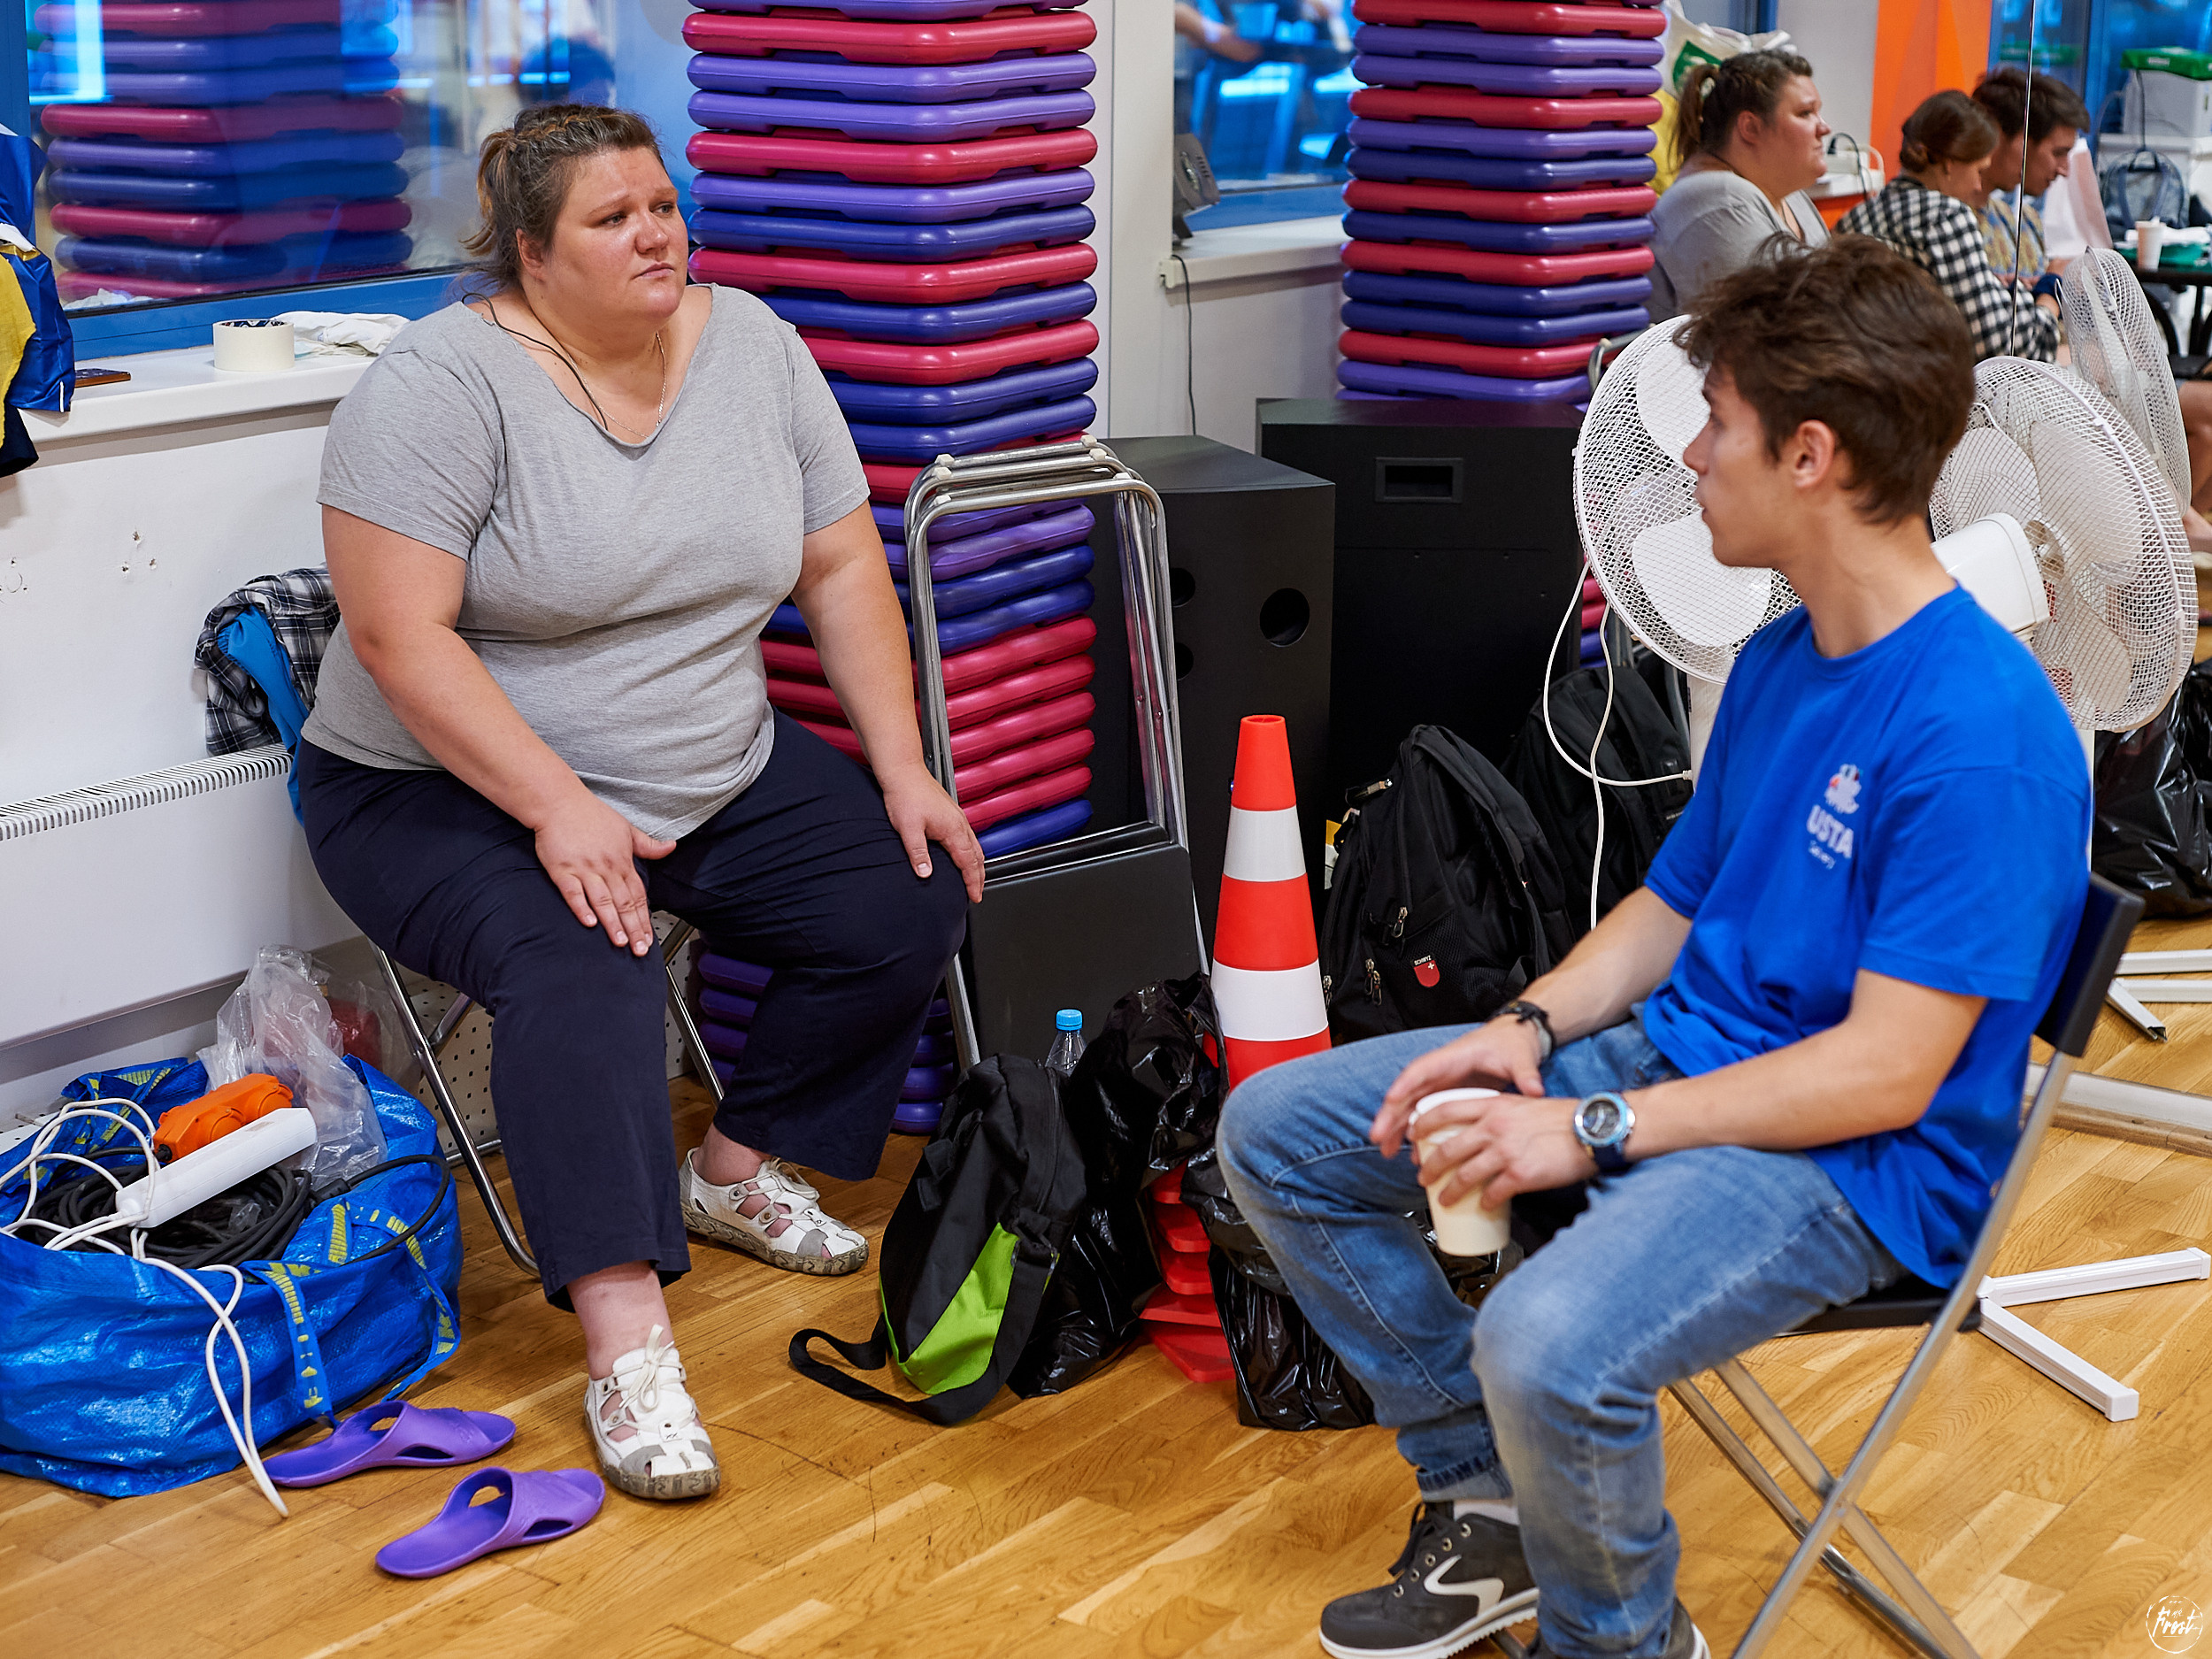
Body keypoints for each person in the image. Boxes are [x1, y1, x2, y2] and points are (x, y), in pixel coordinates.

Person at [1218, 236, 2091, 1659]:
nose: (1689, 458)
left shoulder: (1981, 736)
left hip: (1860, 1162)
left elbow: (1884, 1071)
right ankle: (1484, 1497)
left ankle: (1618, 1639)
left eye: (1719, 426)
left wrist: (1591, 1125)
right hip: (1688, 1058)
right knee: (1280, 1131)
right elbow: (1673, 904)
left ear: (1811, 454)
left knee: (1547, 1345)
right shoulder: (1783, 653)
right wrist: (1529, 1033)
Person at [296, 105, 979, 1502]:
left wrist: (906, 765)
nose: (655, 233)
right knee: (587, 963)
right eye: (613, 219)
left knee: (909, 888)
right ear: (531, 258)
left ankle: (728, 1165)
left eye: (661, 205)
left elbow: (842, 571)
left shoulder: (757, 350)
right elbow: (398, 638)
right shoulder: (439, 387)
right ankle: (625, 1344)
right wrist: (555, 805)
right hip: (441, 788)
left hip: (704, 755)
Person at [1839, 89, 2058, 362]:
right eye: (1979, 171)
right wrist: (2048, 299)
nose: (1979, 185)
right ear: (1950, 162)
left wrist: (1993, 287)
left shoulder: (1854, 218)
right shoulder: (1947, 216)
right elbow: (2002, 348)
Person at [1647, 49, 1831, 322]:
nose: (1823, 128)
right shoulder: (1716, 198)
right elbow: (1789, 330)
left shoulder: (1791, 197)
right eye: (1805, 113)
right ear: (1750, 127)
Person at [1970, 65, 2090, 283]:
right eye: (2057, 153)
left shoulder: (2027, 222)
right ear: (1999, 135)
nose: (2064, 170)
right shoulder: (1951, 224)